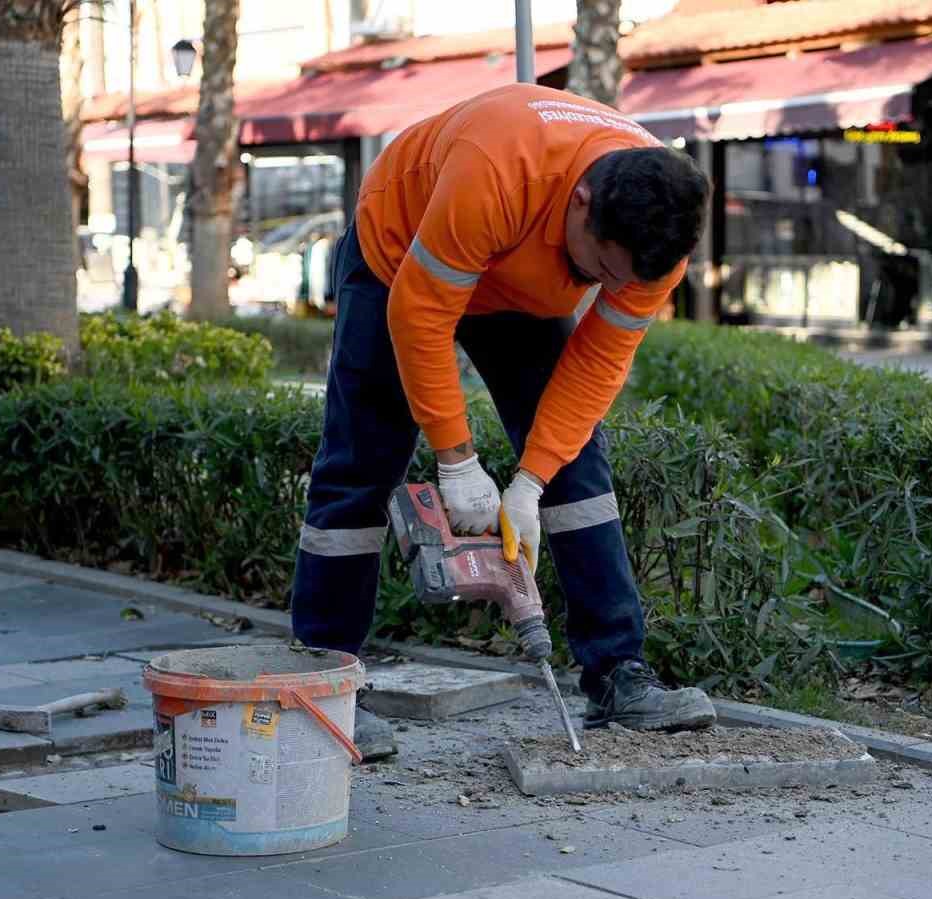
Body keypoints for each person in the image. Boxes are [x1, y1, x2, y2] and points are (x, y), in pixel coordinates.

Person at [293, 84, 717, 760]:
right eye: (602, 269)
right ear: (583, 202)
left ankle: (617, 673)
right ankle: (326, 682)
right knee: (360, 466)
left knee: (579, 467)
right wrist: (458, 462)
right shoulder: (498, 165)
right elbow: (420, 314)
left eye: (623, 282)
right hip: (401, 253)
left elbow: (598, 366)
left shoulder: (654, 238)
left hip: (518, 282)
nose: (609, 289)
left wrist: (530, 483)